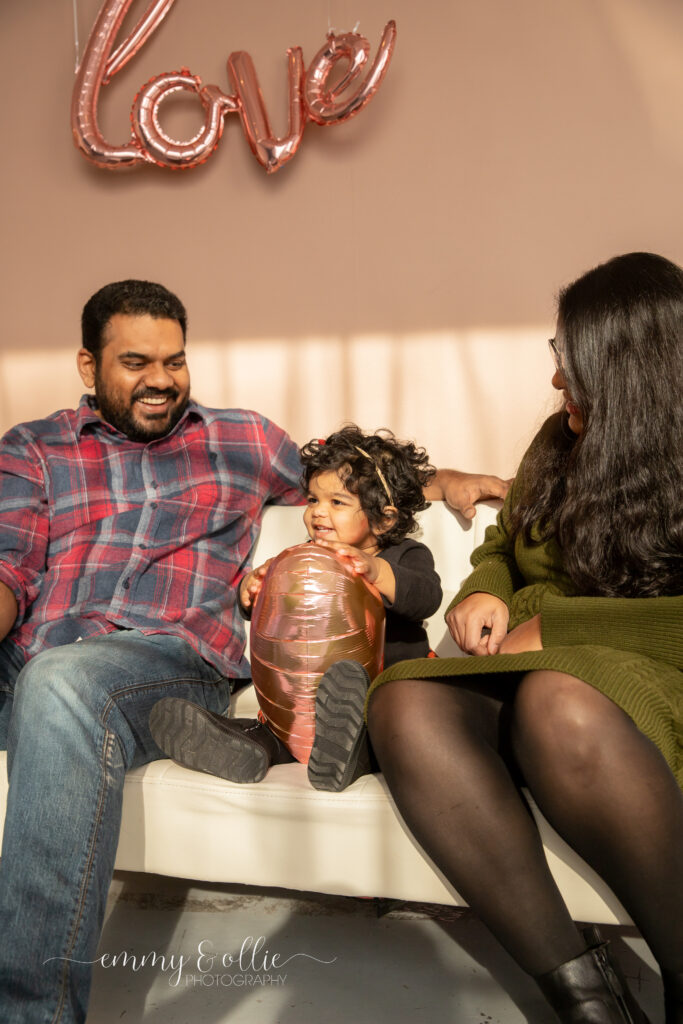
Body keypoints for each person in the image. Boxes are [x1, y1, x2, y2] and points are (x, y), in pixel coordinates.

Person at [0, 278, 508, 1023]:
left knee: (60, 687)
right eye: (136, 362)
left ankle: (30, 1013)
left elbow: (353, 481)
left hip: (158, 660)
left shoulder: (241, 441)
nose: (162, 381)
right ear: (87, 367)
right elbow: (8, 569)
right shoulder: (34, 450)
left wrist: (447, 481)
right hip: (31, 652)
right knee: (45, 677)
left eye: (174, 361)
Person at [364, 252, 683, 1024]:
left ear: (628, 368)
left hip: (639, 673)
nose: (554, 380)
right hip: (535, 666)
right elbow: (505, 544)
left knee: (554, 700)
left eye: (567, 362)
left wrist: (556, 625)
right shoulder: (557, 443)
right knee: (401, 703)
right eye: (556, 357)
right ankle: (585, 1000)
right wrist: (485, 592)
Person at [149, 424, 443, 791]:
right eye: (312, 500)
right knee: (274, 731)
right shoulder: (306, 558)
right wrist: (252, 591)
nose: (318, 513)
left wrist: (377, 571)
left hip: (377, 701)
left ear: (385, 519)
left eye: (337, 503)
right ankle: (239, 745)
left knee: (371, 725)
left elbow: (426, 596)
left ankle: (351, 755)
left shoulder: (403, 555)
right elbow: (276, 615)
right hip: (301, 704)